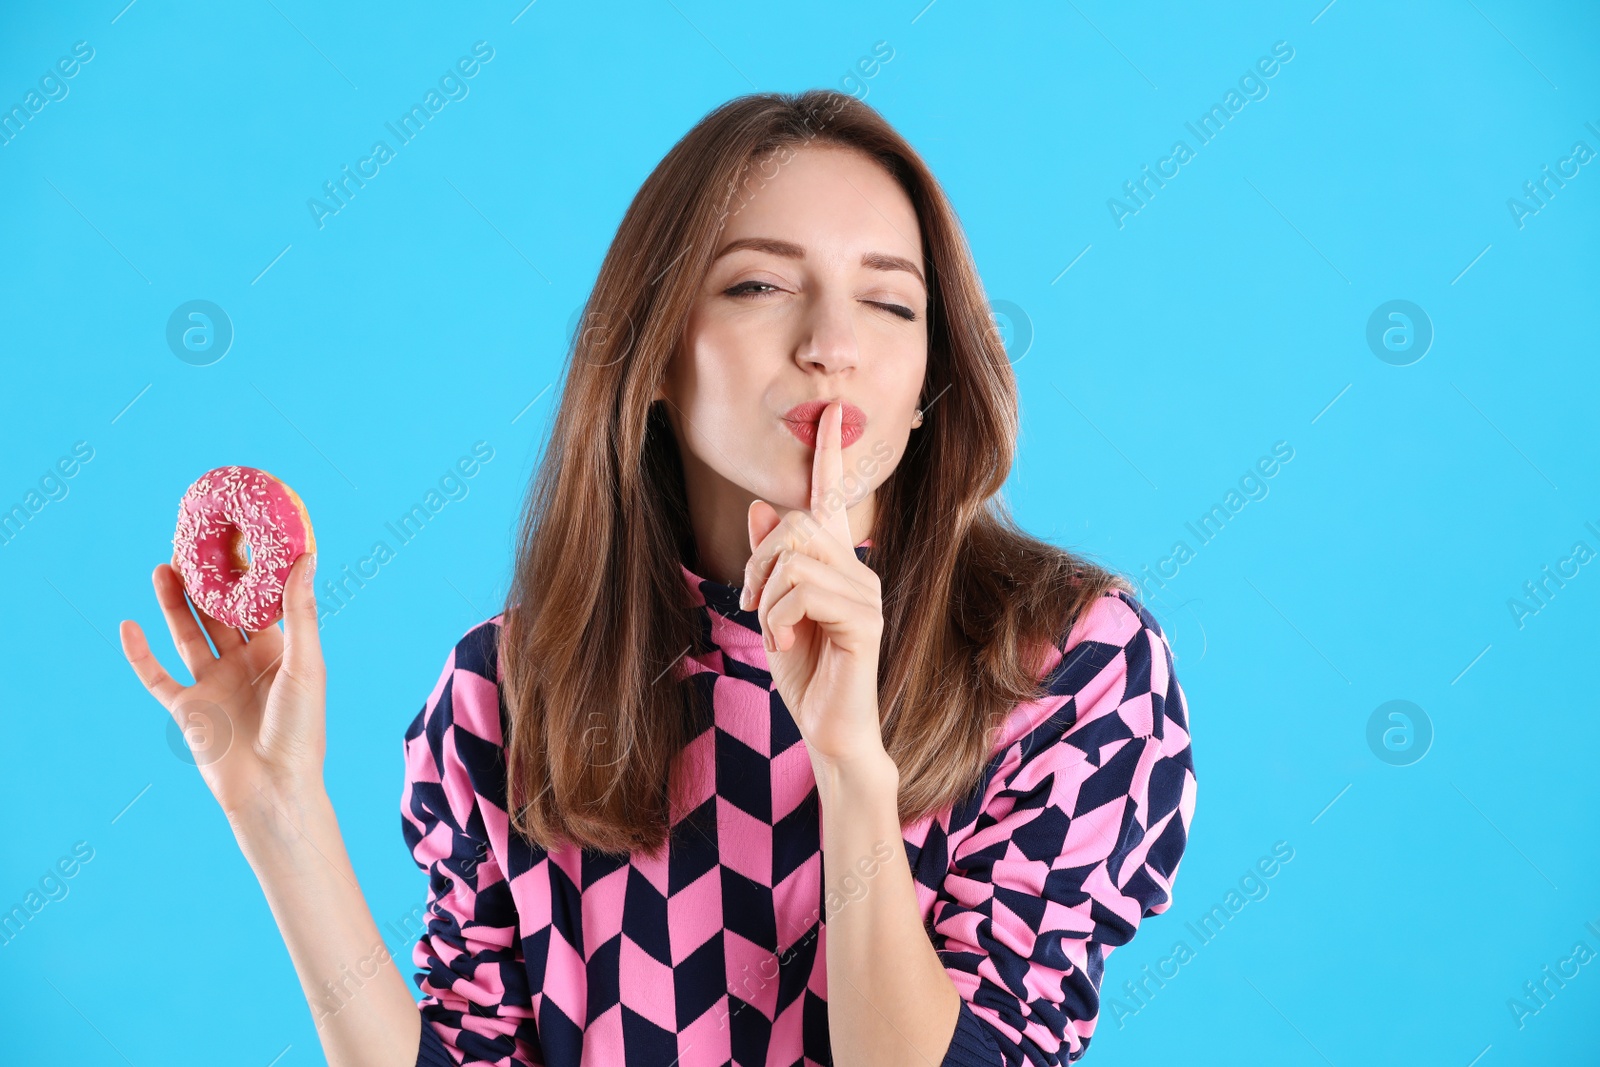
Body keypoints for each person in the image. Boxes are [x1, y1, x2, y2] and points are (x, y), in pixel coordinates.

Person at [120, 89, 1197, 1066]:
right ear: (654, 360)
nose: (832, 343)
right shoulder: (507, 691)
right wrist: (279, 812)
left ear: (930, 382)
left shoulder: (1064, 662)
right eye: (762, 283)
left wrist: (851, 771)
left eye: (890, 303)